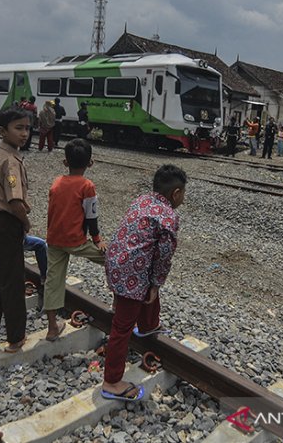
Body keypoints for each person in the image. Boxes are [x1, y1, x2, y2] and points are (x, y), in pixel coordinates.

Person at [101, 165, 186, 401]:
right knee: (122, 327)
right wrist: (157, 283)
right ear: (176, 194)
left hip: (116, 262)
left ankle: (149, 325)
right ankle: (112, 382)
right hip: (131, 272)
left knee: (146, 290)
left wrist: (153, 284)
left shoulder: (143, 200)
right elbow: (163, 257)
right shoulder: (169, 216)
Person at [0, 108, 32, 355]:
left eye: (27, 128)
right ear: (3, 131)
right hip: (5, 223)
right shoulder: (11, 161)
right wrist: (25, 223)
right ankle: (15, 338)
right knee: (12, 282)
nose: (24, 134)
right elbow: (15, 201)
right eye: (18, 128)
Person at [44, 138, 106, 341]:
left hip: (54, 240)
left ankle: (53, 327)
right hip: (76, 241)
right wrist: (97, 239)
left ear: (65, 162)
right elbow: (91, 217)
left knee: (53, 280)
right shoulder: (87, 186)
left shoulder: (56, 182)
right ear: (90, 163)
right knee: (112, 259)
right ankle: (119, 300)